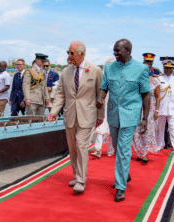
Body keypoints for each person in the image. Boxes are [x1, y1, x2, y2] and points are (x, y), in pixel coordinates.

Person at [96, 39, 151, 202]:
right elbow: (104, 86)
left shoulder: (141, 69)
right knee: (118, 148)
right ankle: (125, 174)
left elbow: (146, 94)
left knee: (124, 148)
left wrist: (145, 118)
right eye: (114, 50)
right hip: (113, 113)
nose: (115, 53)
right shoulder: (110, 67)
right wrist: (100, 98)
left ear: (127, 51)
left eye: (118, 51)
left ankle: (120, 187)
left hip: (131, 114)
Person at [48, 41, 104, 194]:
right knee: (72, 148)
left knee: (81, 145)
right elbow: (60, 94)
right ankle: (76, 174)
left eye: (72, 53)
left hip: (87, 116)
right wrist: (53, 111)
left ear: (81, 54)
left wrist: (101, 115)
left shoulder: (95, 70)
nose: (69, 56)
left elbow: (101, 95)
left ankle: (81, 180)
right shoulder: (66, 71)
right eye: (68, 52)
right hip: (70, 115)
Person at [132, 56, 161, 163]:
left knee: (147, 131)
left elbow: (158, 97)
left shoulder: (155, 81)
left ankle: (145, 153)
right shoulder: (136, 80)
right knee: (137, 131)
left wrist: (157, 110)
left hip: (150, 108)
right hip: (137, 108)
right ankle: (139, 152)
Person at [90, 57, 116, 158]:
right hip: (103, 105)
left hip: (114, 105)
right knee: (100, 126)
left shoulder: (119, 77)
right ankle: (98, 149)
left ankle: (111, 150)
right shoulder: (102, 76)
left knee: (113, 128)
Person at [156, 57, 174, 151]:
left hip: (172, 108)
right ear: (163, 68)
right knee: (160, 129)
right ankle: (159, 145)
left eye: (170, 68)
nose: (168, 70)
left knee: (173, 128)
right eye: (166, 68)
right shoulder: (159, 79)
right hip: (161, 107)